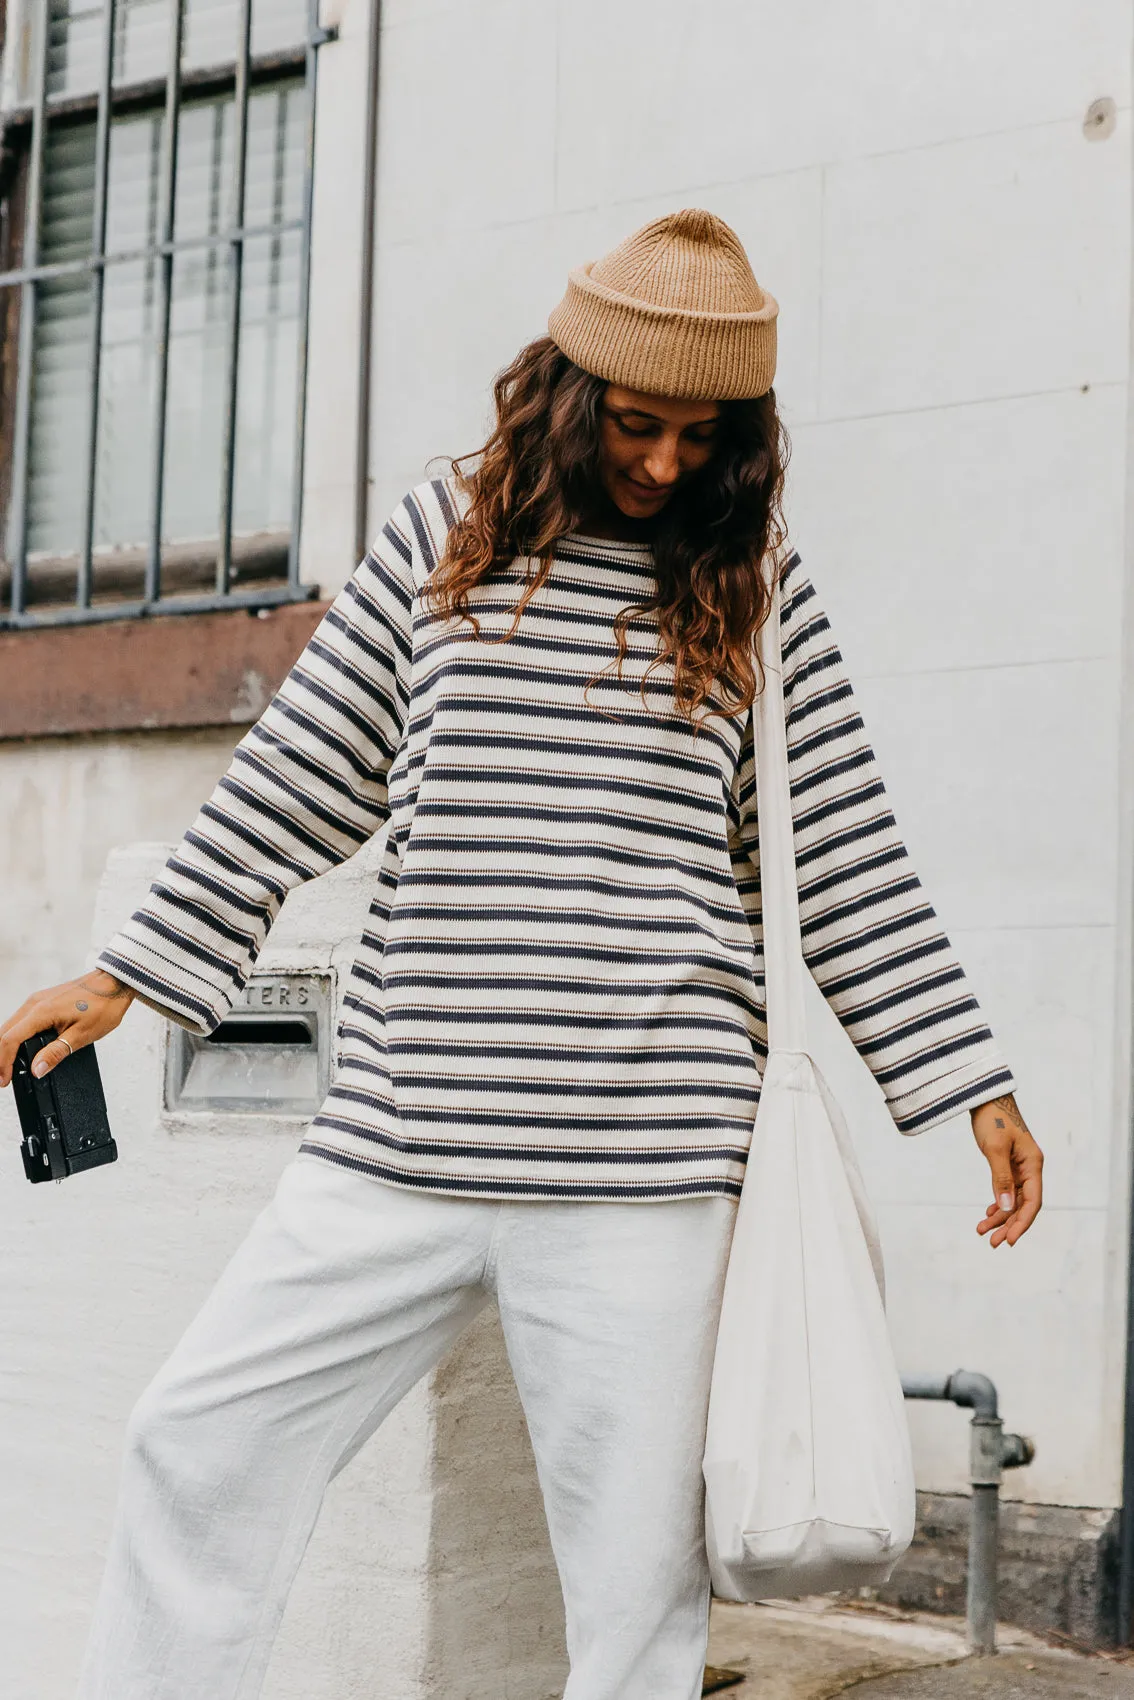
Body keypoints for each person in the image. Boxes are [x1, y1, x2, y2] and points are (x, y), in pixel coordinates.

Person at [0, 209, 1043, 1700]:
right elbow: (299, 773)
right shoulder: (446, 538)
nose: (666, 463)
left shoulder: (751, 588)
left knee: (632, 1595)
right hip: (395, 1145)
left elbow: (850, 861)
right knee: (196, 1442)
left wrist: (966, 1083)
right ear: (564, 392)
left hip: (642, 1176)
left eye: (702, 436)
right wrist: (129, 975)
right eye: (634, 424)